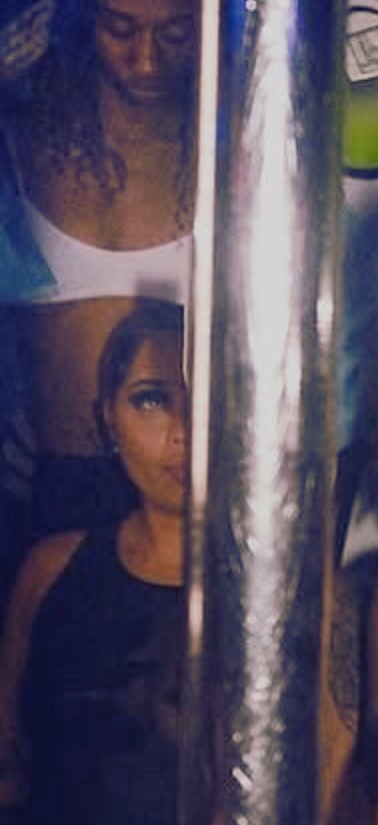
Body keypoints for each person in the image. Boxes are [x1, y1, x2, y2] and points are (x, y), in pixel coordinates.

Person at [0, 297, 184, 825]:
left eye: (200, 399)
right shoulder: (53, 569)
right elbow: (9, 760)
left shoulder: (267, 590)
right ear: (107, 418)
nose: (181, 432)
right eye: (151, 399)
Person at [1, 0, 194, 540]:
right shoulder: (22, 142)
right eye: (120, 29)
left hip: (188, 479)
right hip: (52, 480)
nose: (147, 59)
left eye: (175, 34)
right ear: (84, 21)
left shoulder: (238, 149)